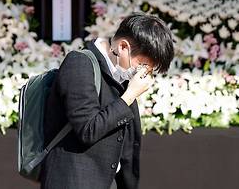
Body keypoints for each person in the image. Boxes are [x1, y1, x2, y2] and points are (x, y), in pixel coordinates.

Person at [40, 13, 175, 189]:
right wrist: (129, 95)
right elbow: (88, 130)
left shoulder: (122, 75)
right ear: (123, 47)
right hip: (72, 180)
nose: (144, 74)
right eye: (142, 65)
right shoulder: (80, 63)